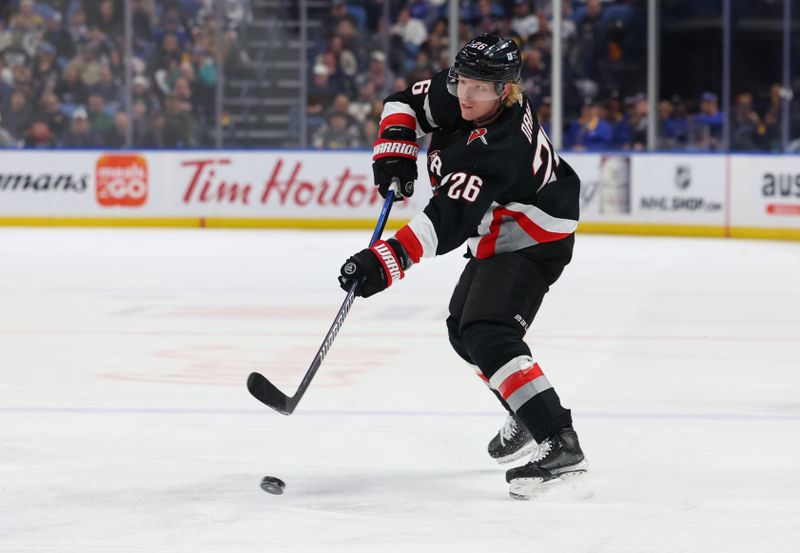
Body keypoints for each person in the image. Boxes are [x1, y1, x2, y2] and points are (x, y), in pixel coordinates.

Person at [337, 34, 587, 499]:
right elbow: (403, 104)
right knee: (461, 329)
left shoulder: (495, 146)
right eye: (462, 81)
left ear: (506, 90)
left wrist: (382, 263)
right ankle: (525, 412)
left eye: (481, 87)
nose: (467, 95)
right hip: (500, 232)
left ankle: (560, 442)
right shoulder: (469, 97)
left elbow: (445, 224)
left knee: (489, 331)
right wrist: (395, 146)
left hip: (532, 237)